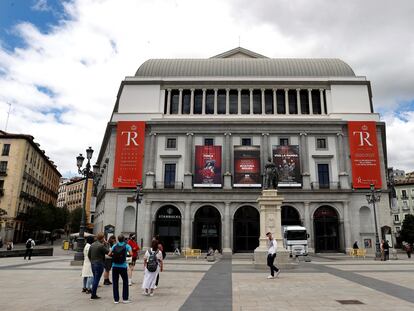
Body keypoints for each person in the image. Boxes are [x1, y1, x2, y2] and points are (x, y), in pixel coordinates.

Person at [109, 235, 132, 304]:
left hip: (114, 266)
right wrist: (126, 255)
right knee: (125, 282)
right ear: (124, 239)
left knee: (115, 282)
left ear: (118, 240)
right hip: (123, 266)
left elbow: (109, 253)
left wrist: (114, 255)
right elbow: (131, 253)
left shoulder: (114, 246)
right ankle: (125, 299)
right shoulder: (127, 246)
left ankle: (116, 299)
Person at [88, 232, 109, 300]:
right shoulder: (101, 245)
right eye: (104, 238)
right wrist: (106, 244)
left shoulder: (92, 244)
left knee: (95, 278)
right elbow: (108, 252)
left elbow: (89, 255)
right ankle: (93, 294)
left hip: (93, 263)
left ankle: (93, 294)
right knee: (96, 279)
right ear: (102, 238)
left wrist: (92, 261)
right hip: (99, 263)